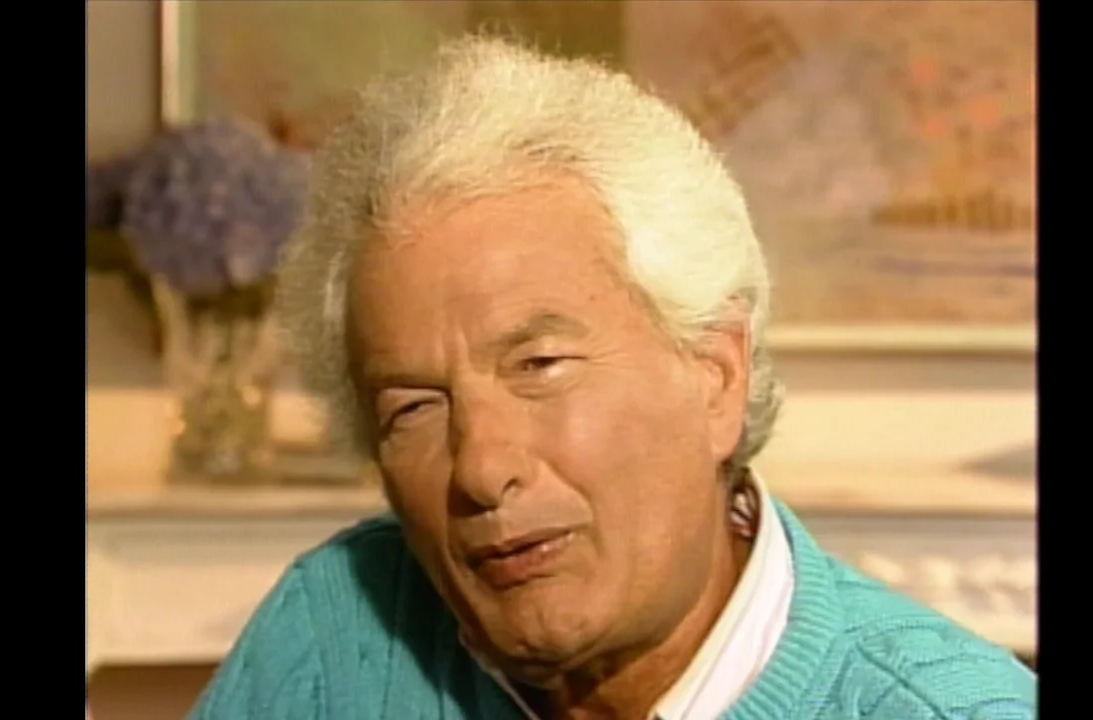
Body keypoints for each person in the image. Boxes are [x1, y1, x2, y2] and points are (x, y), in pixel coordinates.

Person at [189, 37, 1036, 720]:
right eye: (413, 407)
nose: (481, 468)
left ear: (716, 375)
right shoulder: (332, 636)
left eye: (539, 365)